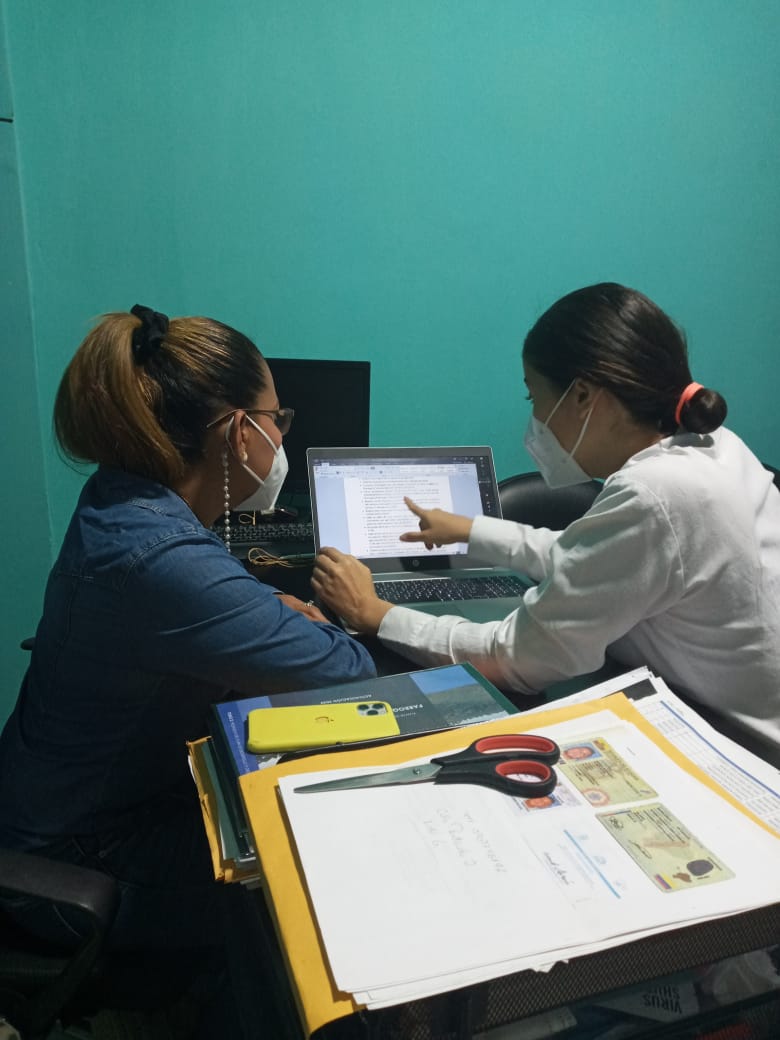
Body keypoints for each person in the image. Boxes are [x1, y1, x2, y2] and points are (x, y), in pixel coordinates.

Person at [0, 305, 375, 1032]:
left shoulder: (122, 500)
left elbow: (187, 606)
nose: (282, 437)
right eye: (278, 420)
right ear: (239, 433)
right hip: (80, 855)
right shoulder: (163, 561)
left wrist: (253, 613)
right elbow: (349, 671)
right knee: (313, 879)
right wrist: (338, 614)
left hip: (65, 803)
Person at [312, 283, 780, 756]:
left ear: (583, 396)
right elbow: (591, 561)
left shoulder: (655, 493)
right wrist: (469, 530)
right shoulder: (715, 449)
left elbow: (515, 660)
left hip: (740, 748)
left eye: (533, 396)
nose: (535, 418)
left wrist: (375, 614)